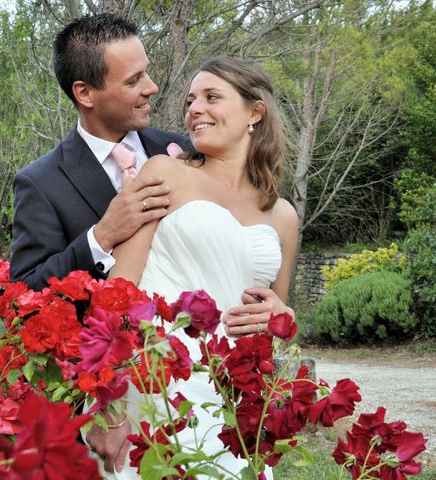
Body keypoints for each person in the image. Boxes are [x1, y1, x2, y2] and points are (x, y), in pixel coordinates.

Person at [92, 56, 299, 479]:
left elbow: (275, 320)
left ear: (254, 112)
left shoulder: (283, 215)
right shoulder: (166, 172)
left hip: (231, 400)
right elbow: (118, 295)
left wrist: (284, 318)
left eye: (212, 97)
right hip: (155, 384)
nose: (194, 109)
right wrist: (108, 408)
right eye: (190, 100)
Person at [9, 13, 190, 291]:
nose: (152, 87)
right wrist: (101, 236)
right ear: (85, 94)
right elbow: (24, 291)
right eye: (133, 81)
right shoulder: (40, 184)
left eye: (147, 72)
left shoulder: (182, 151)